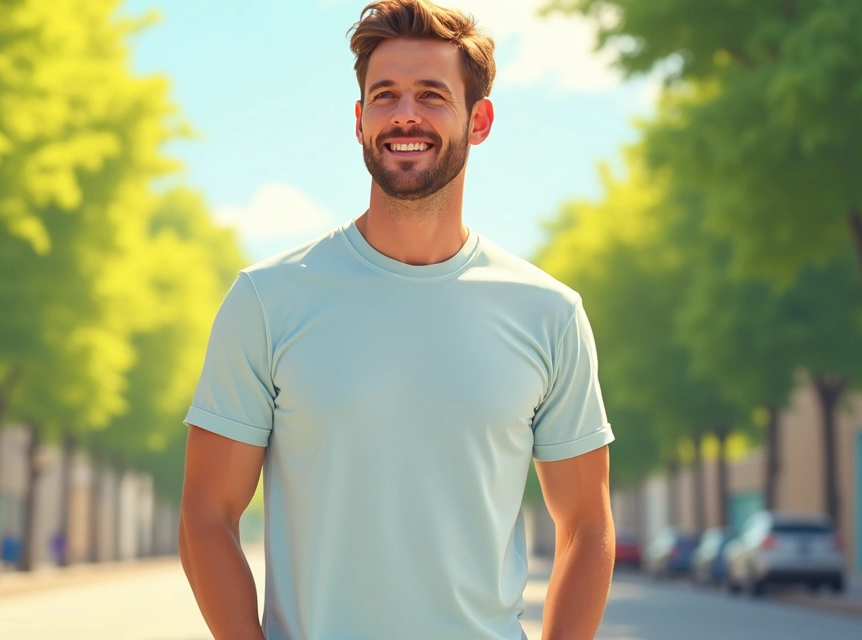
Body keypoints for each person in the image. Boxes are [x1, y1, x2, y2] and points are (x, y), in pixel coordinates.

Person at [178, 1, 616, 638]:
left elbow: (587, 526)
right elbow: (206, 513)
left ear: (479, 120)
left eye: (432, 95)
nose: (404, 114)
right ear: (360, 121)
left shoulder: (549, 314)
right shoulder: (267, 301)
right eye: (384, 96)